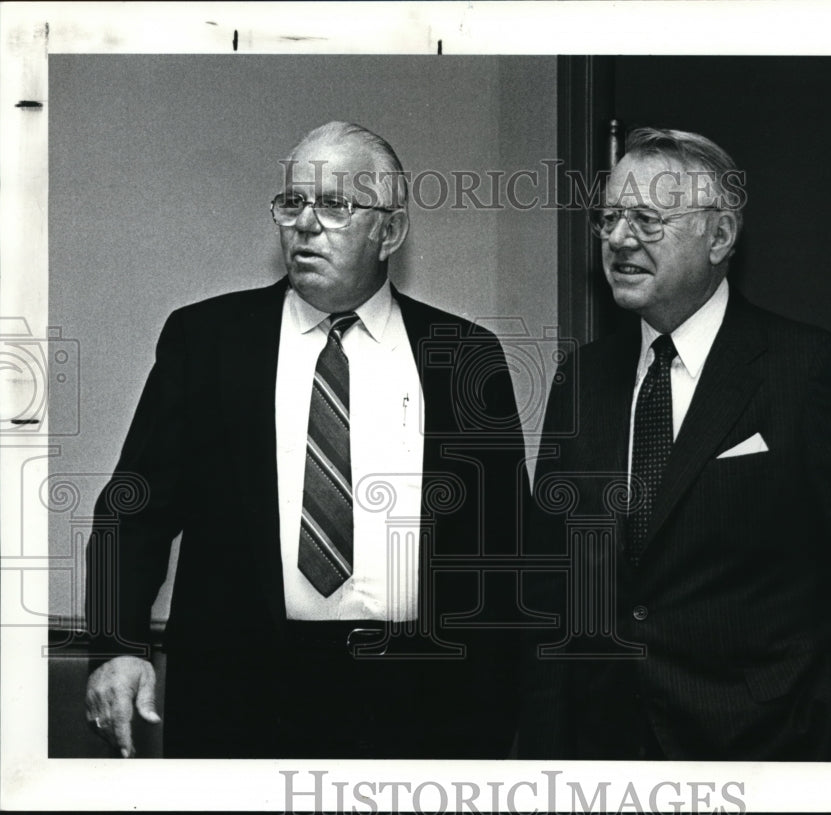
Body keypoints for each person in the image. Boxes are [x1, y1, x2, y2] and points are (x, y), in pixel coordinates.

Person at [84, 120, 526, 759]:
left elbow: (504, 548)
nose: (306, 224)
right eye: (292, 202)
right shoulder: (208, 342)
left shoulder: (463, 356)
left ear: (390, 232)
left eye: (336, 205)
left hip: (420, 703)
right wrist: (116, 646)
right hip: (240, 697)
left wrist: (503, 711)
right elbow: (136, 509)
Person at [519, 127, 831, 761]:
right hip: (603, 759)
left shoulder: (807, 372)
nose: (619, 239)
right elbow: (553, 586)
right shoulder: (583, 379)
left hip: (766, 752)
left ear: (721, 237)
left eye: (647, 219)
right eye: (611, 217)